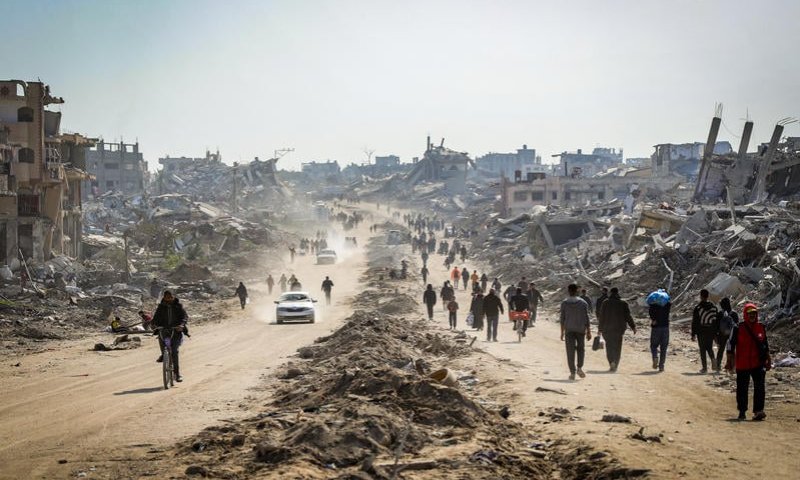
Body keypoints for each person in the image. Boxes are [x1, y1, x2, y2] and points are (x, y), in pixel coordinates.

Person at [725, 303, 770, 421]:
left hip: (758, 363)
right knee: (742, 389)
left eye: (754, 313)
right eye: (750, 313)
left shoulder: (761, 327)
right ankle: (742, 411)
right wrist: (729, 360)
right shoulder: (738, 328)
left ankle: (758, 411)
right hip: (742, 363)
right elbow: (730, 344)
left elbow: (765, 345)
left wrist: (768, 360)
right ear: (745, 314)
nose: (752, 316)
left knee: (760, 387)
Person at [152, 291, 188, 382]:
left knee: (174, 351)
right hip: (164, 329)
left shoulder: (178, 306)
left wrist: (182, 325)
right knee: (161, 340)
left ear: (172, 297)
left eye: (170, 297)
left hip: (176, 330)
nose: (169, 299)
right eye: (167, 298)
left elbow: (184, 317)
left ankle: (177, 374)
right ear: (164, 298)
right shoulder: (161, 307)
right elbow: (155, 318)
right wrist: (154, 325)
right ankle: (163, 355)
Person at [597, 287, 637, 372]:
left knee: (609, 346)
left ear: (610, 293)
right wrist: (633, 327)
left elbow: (602, 317)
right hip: (619, 329)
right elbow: (628, 316)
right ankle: (615, 363)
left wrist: (600, 329)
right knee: (617, 347)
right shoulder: (623, 303)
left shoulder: (605, 303)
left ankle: (611, 361)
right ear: (618, 293)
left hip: (607, 329)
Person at [560, 284, 591, 380]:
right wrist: (589, 331)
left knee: (570, 351)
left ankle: (572, 372)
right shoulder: (583, 303)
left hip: (569, 330)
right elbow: (586, 318)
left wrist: (562, 332)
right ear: (577, 291)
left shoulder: (564, 303)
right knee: (581, 349)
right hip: (580, 330)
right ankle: (579, 368)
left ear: (569, 291)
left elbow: (562, 319)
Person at [692, 289, 719, 373]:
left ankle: (704, 368)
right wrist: (715, 333)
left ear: (701, 296)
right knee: (709, 347)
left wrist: (693, 333)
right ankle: (713, 360)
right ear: (707, 296)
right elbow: (715, 322)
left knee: (702, 349)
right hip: (710, 330)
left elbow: (695, 322)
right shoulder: (714, 308)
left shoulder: (698, 308)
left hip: (701, 331)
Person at [649, 298, 671, 372]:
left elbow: (650, 313)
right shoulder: (668, 305)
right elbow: (669, 303)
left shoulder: (653, 305)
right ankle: (661, 366)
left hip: (656, 328)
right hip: (665, 328)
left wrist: (654, 319)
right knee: (663, 348)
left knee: (653, 345)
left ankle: (655, 356)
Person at [716, 297, 738, 371]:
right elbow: (737, 326)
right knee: (731, 351)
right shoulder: (734, 314)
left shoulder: (720, 313)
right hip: (732, 335)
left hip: (722, 335)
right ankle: (732, 367)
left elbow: (716, 326)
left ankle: (718, 365)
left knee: (721, 350)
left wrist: (716, 336)